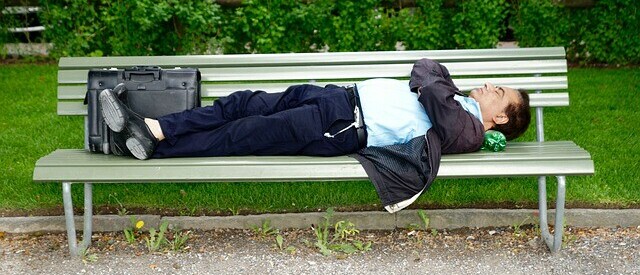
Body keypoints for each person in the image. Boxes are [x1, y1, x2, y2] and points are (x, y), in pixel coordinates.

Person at [99, 58, 531, 212]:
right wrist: (435, 88)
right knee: (243, 103)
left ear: (501, 120)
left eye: (500, 93)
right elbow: (425, 68)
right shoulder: (454, 99)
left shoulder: (469, 129)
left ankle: (148, 147)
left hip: (341, 126)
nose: (492, 87)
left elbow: (431, 85)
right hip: (337, 98)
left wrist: (436, 89)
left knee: (243, 134)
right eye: (496, 84)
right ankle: (154, 129)